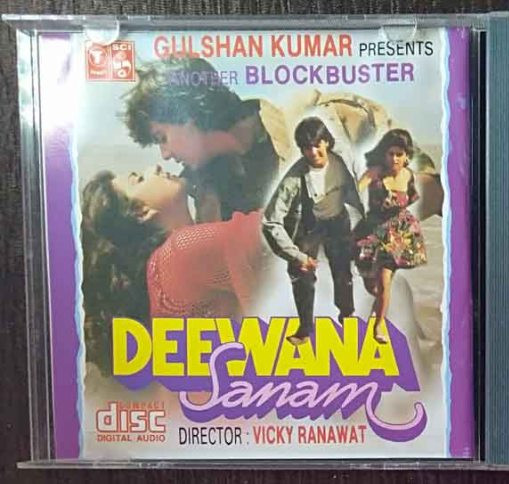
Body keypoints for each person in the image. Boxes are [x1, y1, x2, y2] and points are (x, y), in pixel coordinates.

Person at [80, 165, 264, 374]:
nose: (155, 167)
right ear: (141, 212)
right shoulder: (181, 250)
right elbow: (279, 229)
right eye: (139, 178)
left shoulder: (166, 269)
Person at [121, 57, 283, 222]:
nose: (165, 155)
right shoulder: (204, 187)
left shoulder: (289, 126)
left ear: (186, 113)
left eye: (162, 138)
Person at [262, 117, 365, 345]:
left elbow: (360, 194)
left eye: (317, 145)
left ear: (326, 142)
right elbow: (270, 221)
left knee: (343, 272)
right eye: (307, 148)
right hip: (309, 224)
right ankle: (305, 329)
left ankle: (347, 316)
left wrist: (367, 228)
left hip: (338, 220)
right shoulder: (293, 179)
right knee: (302, 274)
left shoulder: (343, 160)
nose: (314, 152)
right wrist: (296, 256)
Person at [355, 129, 429, 344]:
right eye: (391, 154)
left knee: (384, 281)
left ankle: (379, 325)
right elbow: (355, 189)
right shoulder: (375, 172)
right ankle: (377, 304)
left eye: (399, 154)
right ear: (384, 154)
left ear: (407, 156)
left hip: (398, 235)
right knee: (373, 286)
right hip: (372, 230)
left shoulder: (409, 176)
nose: (395, 159)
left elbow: (411, 199)